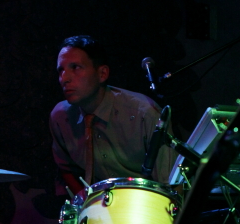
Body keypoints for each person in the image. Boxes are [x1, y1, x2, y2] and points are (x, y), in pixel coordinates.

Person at [49, 35, 176, 199]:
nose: (64, 78)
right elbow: (66, 168)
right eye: (61, 70)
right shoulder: (60, 118)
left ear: (102, 73)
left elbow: (170, 185)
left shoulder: (144, 114)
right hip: (98, 207)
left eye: (76, 67)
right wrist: (85, 202)